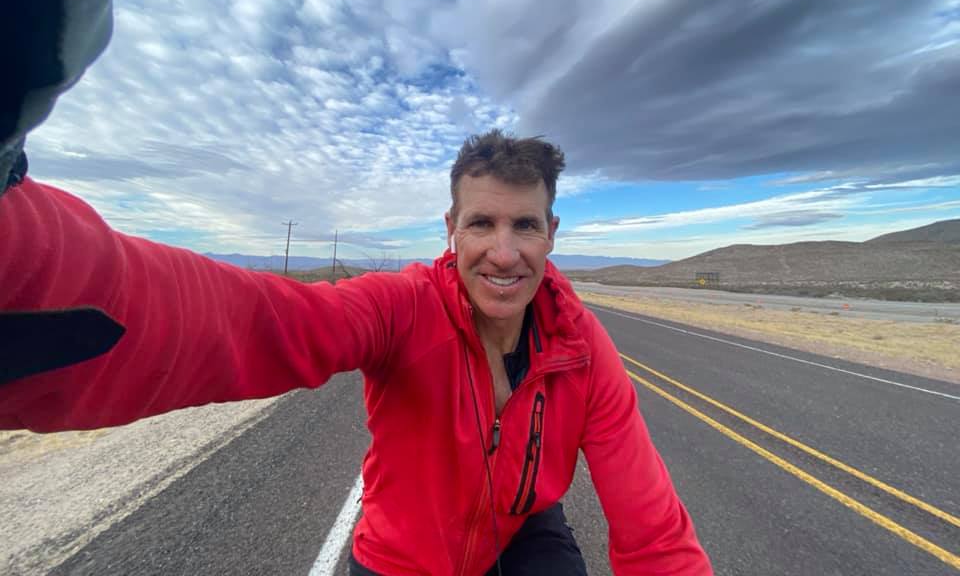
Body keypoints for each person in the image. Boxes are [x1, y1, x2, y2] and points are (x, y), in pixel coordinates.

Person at [0, 130, 712, 574]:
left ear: (552, 231)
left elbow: (651, 524)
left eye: (524, 225)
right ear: (451, 228)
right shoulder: (403, 307)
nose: (504, 252)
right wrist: (32, 268)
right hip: (403, 556)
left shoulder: (580, 345)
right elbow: (259, 322)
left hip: (524, 535)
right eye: (482, 223)